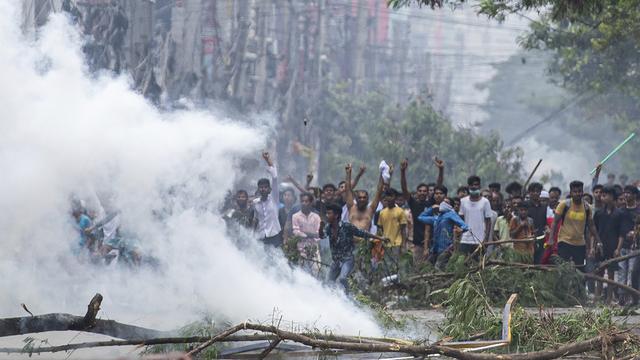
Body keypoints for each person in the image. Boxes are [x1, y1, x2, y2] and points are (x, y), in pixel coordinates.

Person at [324, 203, 387, 291]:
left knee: (343, 278)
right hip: (336, 260)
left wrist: (379, 238)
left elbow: (362, 233)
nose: (327, 216)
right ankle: (334, 296)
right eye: (326, 213)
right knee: (328, 282)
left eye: (329, 213)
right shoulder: (328, 227)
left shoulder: (346, 226)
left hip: (347, 259)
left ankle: (349, 296)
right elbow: (322, 236)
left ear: (336, 215)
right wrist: (320, 228)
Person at [400, 157, 444, 263]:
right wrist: (402, 172)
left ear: (428, 192)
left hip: (433, 243)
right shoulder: (413, 204)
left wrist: (441, 170)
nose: (423, 193)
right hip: (418, 244)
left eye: (425, 191)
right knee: (419, 271)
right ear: (417, 192)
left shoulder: (431, 203)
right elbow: (404, 189)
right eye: (420, 191)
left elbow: (439, 186)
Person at [548, 180, 601, 267]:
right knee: (563, 268)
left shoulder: (587, 207)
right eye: (575, 192)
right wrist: (551, 239)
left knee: (579, 269)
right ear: (571, 192)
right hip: (564, 241)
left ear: (582, 192)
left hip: (580, 243)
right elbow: (555, 222)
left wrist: (599, 241)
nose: (577, 194)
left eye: (579, 191)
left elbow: (592, 226)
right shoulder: (564, 205)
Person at [593, 186, 625, 302]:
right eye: (602, 195)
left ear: (612, 197)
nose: (602, 197)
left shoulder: (619, 214)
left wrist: (618, 249)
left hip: (612, 246)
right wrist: (593, 246)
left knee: (611, 273)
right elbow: (594, 231)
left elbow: (622, 233)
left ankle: (609, 298)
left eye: (605, 195)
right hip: (600, 246)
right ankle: (597, 297)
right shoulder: (599, 213)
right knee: (599, 272)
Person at [417, 198, 468, 268]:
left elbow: (465, 226)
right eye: (443, 201)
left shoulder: (451, 214)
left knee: (438, 267)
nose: (443, 203)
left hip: (446, 248)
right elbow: (420, 217)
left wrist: (460, 230)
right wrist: (432, 208)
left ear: (450, 206)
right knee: (427, 267)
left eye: (446, 202)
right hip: (434, 249)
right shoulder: (437, 218)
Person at [253, 152, 282, 247]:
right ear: (258, 189)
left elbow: (275, 176)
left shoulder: (274, 198)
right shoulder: (255, 203)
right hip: (261, 236)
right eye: (261, 187)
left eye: (265, 187)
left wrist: (267, 160)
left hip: (274, 235)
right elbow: (256, 220)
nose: (263, 189)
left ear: (269, 189)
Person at [458, 175, 493, 255]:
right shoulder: (463, 201)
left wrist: (486, 240)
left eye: (476, 184)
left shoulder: (485, 202)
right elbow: (460, 220)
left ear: (479, 186)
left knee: (478, 265)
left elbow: (488, 222)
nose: (474, 187)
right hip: (465, 240)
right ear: (468, 186)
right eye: (472, 185)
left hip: (479, 240)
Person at [617, 185, 640, 304]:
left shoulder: (638, 210)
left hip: (635, 248)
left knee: (632, 272)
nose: (626, 195)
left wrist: (635, 233)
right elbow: (618, 230)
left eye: (629, 193)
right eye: (625, 192)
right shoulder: (621, 211)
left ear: (635, 195)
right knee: (621, 273)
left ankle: (632, 298)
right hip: (623, 246)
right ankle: (622, 299)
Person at [291, 193, 322, 275]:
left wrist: (305, 233)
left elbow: (318, 234)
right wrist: (309, 234)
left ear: (311, 203)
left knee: (316, 270)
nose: (304, 203)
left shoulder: (316, 217)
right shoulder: (295, 216)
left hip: (314, 248)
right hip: (301, 248)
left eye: (306, 201)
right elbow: (296, 232)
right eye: (302, 201)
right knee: (302, 272)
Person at [377, 189, 408, 259]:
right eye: (388, 196)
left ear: (395, 197)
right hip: (385, 243)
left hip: (397, 243)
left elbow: (403, 230)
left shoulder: (400, 211)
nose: (389, 198)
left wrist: (403, 245)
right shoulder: (382, 213)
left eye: (391, 196)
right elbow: (380, 229)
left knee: (395, 265)